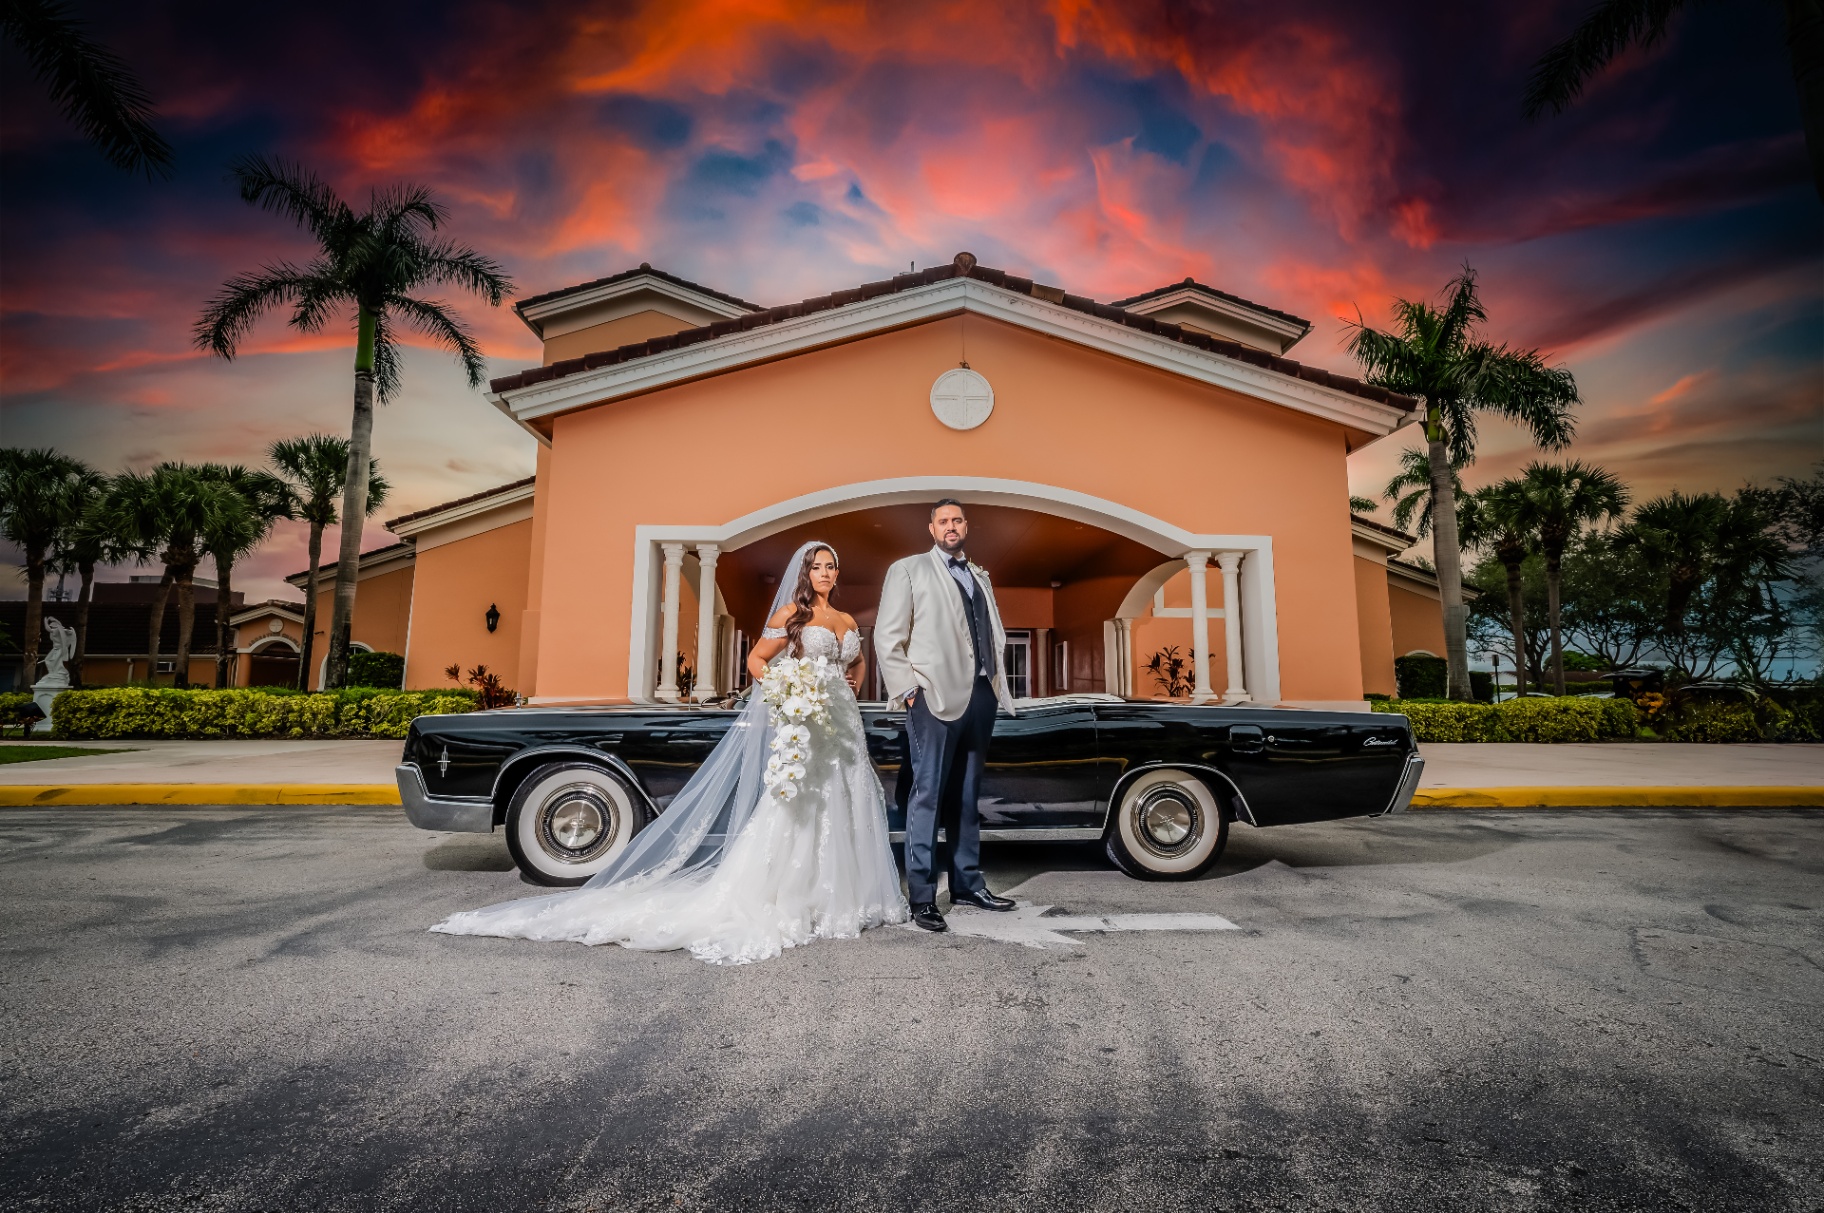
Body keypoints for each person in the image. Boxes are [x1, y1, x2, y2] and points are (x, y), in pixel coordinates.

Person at [430, 541, 908, 965]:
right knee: (802, 799)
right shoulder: (790, 615)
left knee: (847, 796)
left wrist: (851, 683)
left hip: (843, 721)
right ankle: (795, 894)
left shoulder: (846, 621)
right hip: (805, 718)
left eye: (831, 566)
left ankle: (845, 896)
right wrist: (789, 689)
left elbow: (856, 660)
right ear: (805, 573)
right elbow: (757, 661)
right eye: (817, 566)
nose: (825, 573)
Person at [874, 498, 1019, 933]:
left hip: (981, 695)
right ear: (932, 528)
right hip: (932, 698)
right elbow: (888, 636)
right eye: (943, 521)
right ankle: (922, 896)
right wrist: (909, 691)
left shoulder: (978, 575)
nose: (950, 526)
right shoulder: (908, 569)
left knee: (967, 795)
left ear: (965, 526)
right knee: (928, 795)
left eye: (957, 520)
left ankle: (967, 883)